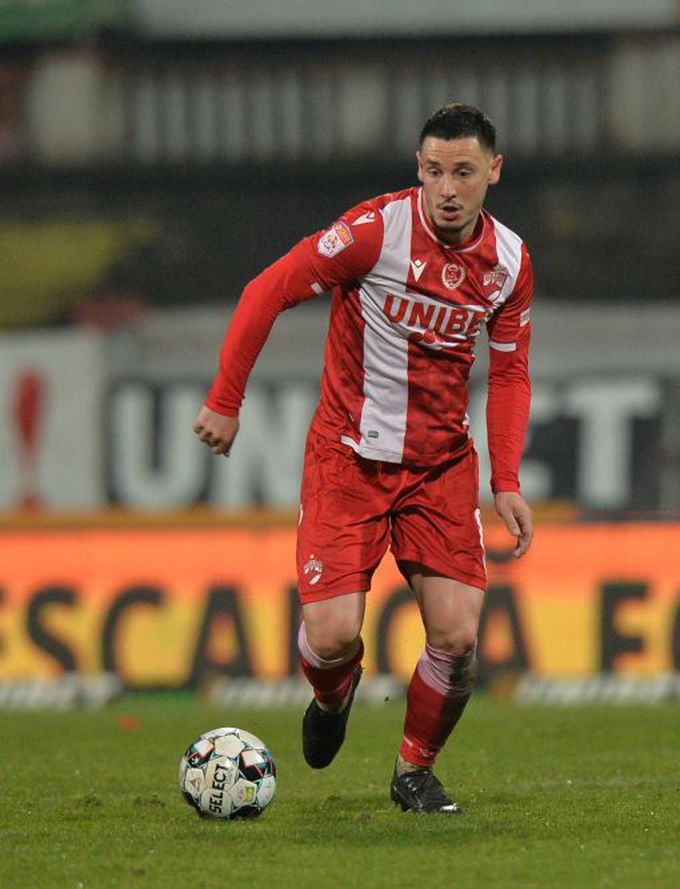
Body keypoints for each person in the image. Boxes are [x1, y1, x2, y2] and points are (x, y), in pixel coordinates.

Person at [193, 103, 534, 814]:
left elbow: (508, 373)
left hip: (440, 468)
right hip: (347, 461)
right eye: (435, 170)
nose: (448, 187)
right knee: (333, 636)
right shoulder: (374, 233)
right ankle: (333, 691)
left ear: (493, 173)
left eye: (463, 172)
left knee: (458, 634)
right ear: (419, 168)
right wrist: (227, 398)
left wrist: (506, 479)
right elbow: (268, 290)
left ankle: (414, 768)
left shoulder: (509, 262)